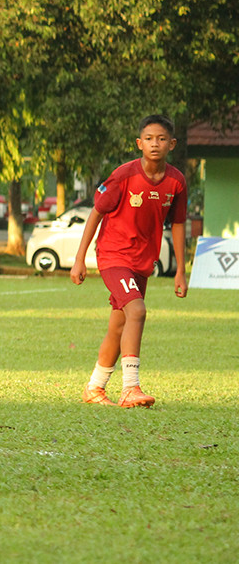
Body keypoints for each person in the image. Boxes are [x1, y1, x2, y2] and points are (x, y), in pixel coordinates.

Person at [72, 114, 188, 409]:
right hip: (113, 255)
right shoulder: (123, 175)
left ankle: (95, 388)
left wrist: (180, 272)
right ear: (139, 143)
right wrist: (80, 259)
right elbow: (97, 212)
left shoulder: (177, 182)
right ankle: (130, 387)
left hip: (142, 262)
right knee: (137, 311)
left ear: (172, 144)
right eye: (149, 139)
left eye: (161, 139)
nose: (155, 144)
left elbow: (177, 224)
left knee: (120, 325)